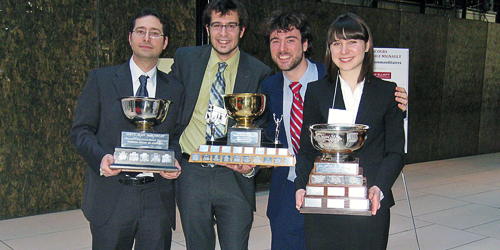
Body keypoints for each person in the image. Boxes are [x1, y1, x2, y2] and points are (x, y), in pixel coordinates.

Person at [260, 10, 408, 250]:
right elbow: (307, 148)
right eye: (337, 43)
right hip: (324, 201)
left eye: (352, 42)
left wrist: (378, 188)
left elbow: (395, 152)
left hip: (369, 201)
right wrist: (300, 185)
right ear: (329, 49)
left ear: (367, 45)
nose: (344, 51)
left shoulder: (387, 93)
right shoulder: (318, 91)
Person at [70, 8, 183, 250]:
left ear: (165, 43)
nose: (146, 38)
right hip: (112, 195)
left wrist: (172, 159)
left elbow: (174, 136)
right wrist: (101, 158)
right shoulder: (101, 79)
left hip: (156, 196)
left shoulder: (174, 88)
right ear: (129, 37)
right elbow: (81, 130)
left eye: (155, 33)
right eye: (140, 31)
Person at [169, 0, 272, 249]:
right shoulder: (186, 60)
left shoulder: (259, 72)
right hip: (191, 171)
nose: (223, 34)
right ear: (207, 28)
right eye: (217, 25)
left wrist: (251, 165)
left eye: (231, 26)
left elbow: (265, 127)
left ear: (242, 30)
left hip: (234, 176)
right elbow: (170, 108)